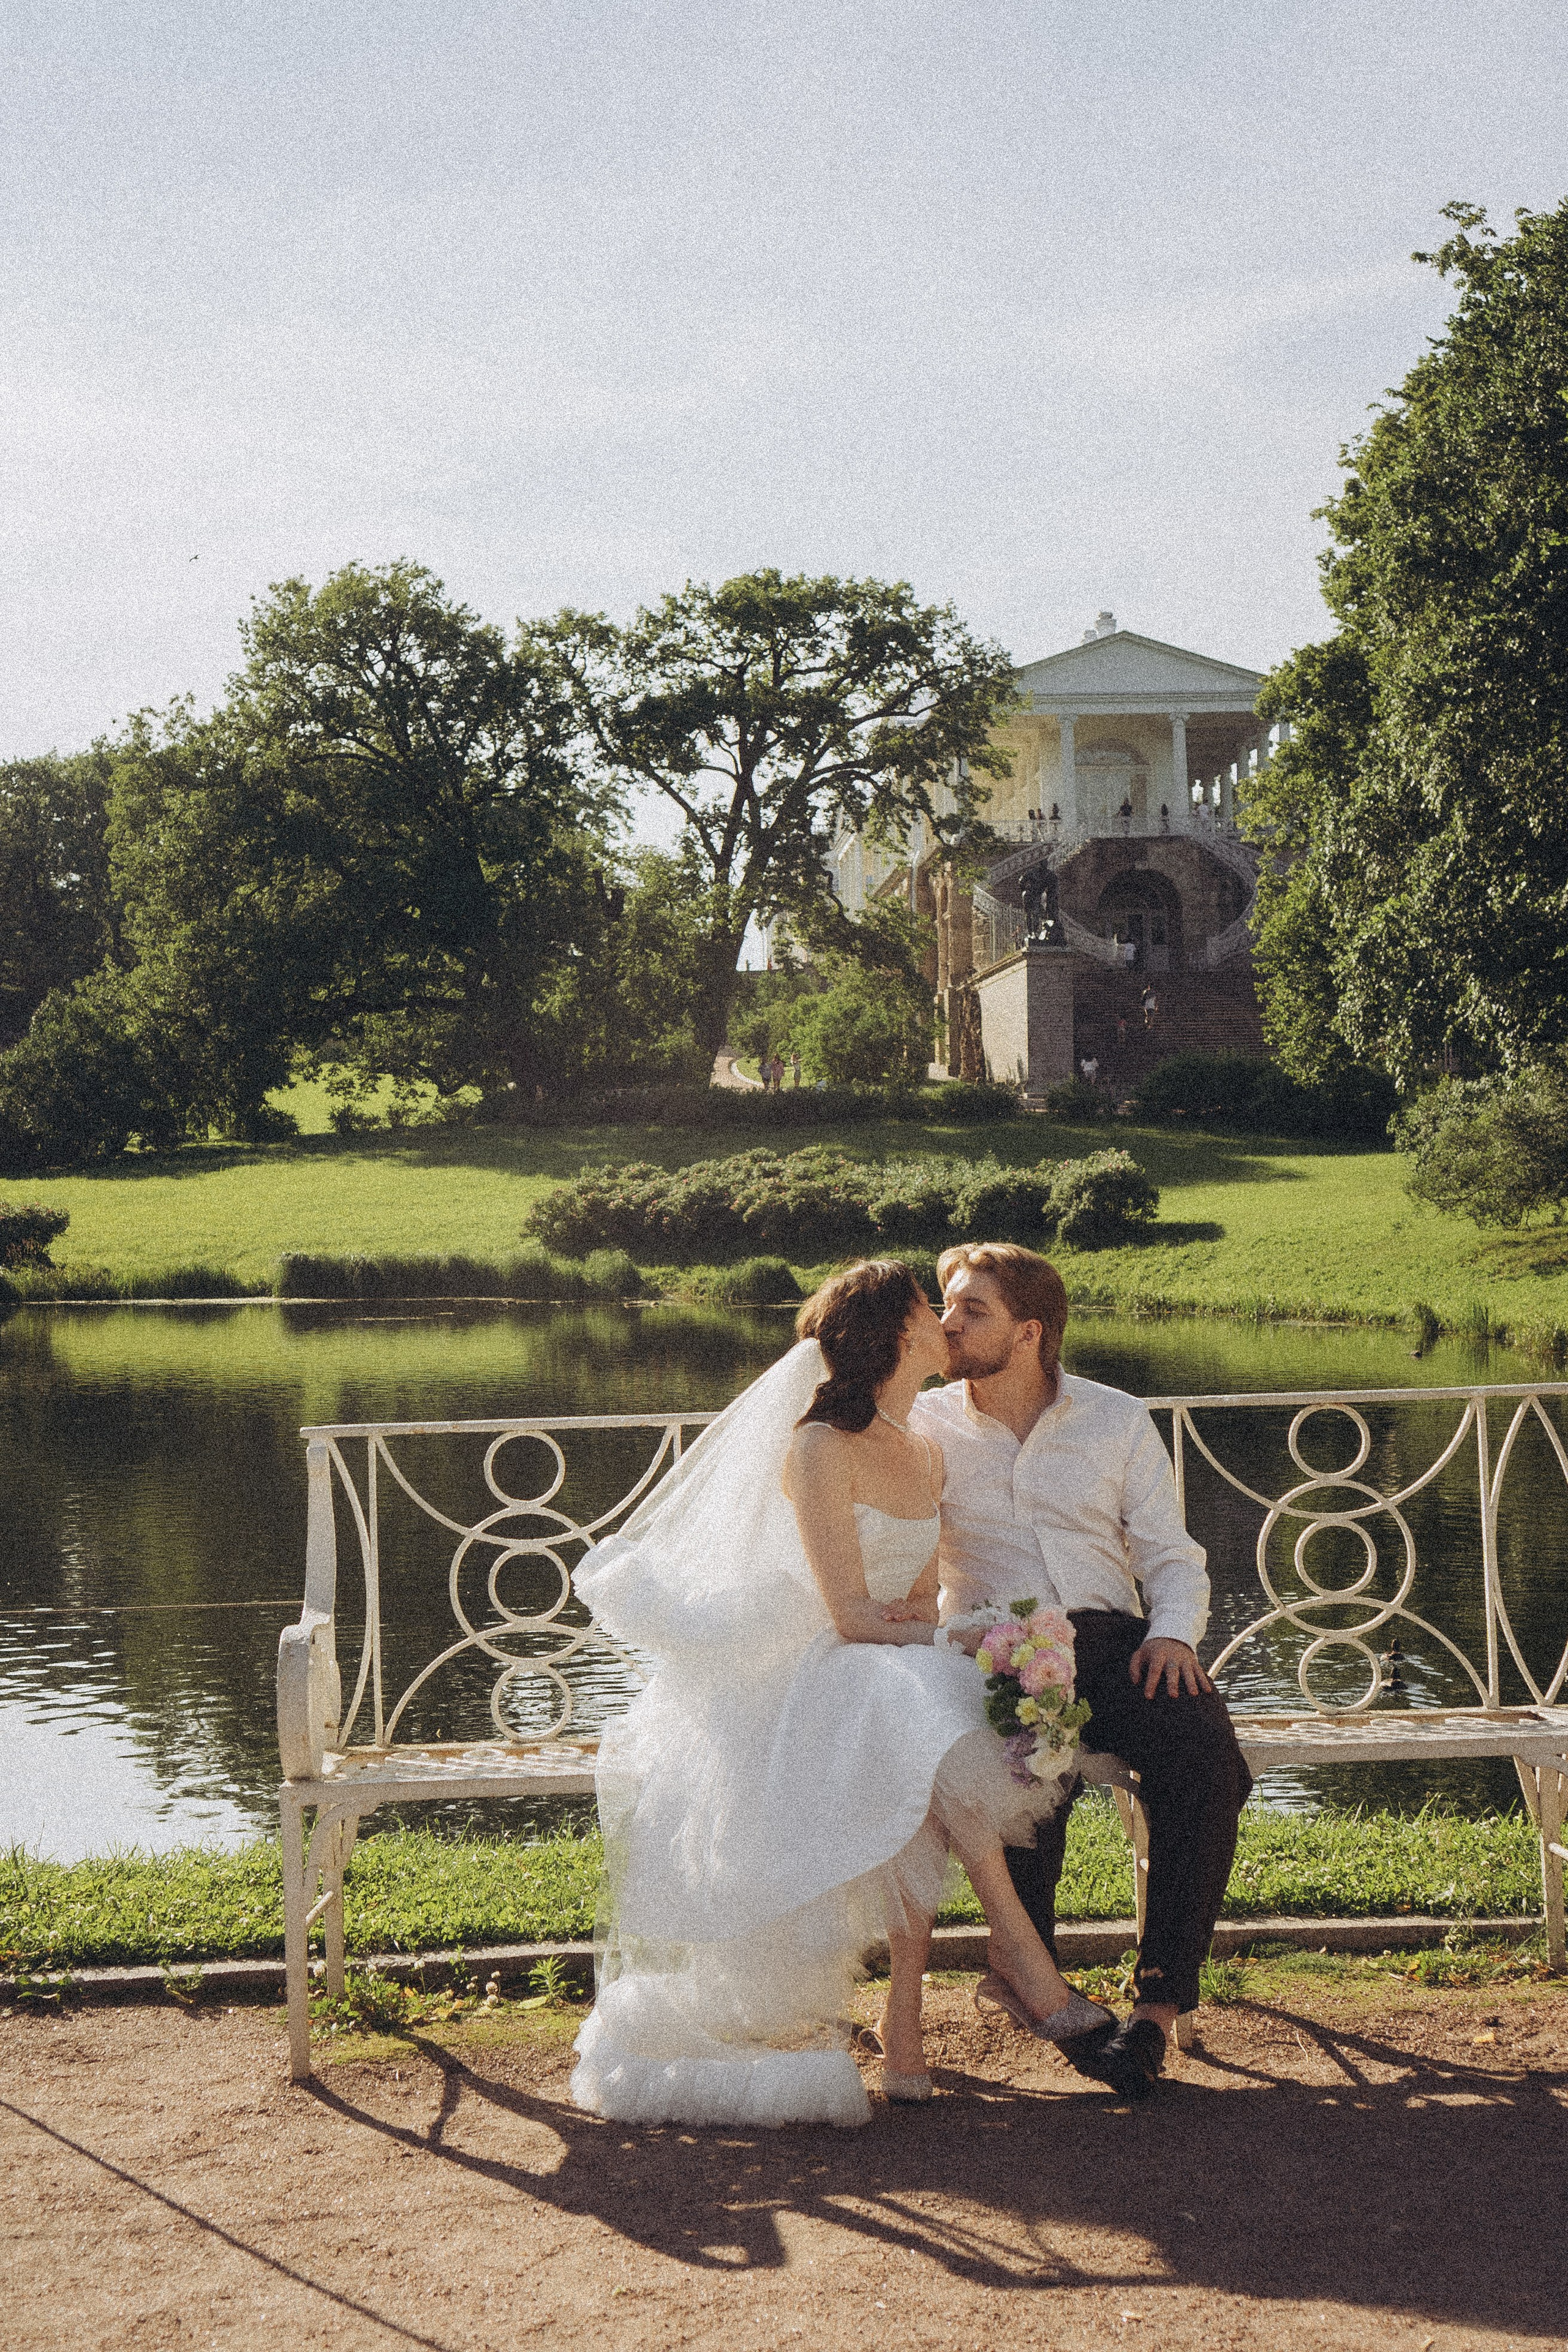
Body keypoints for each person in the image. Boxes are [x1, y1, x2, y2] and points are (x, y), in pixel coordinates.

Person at [570, 1260, 1111, 2127]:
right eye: (931, 1311)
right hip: (808, 1671)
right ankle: (1020, 1966)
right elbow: (852, 1616)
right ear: (899, 1336)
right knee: (919, 1712)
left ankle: (911, 2022)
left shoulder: (927, 1450)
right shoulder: (818, 1447)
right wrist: (939, 1633)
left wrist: (940, 1628)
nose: (947, 1321)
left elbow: (924, 1592)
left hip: (890, 1661)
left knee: (925, 1719)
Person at [911, 1243, 1253, 2101]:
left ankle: (1159, 2010)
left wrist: (1174, 1636)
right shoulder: (925, 1428)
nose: (946, 1323)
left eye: (970, 1310)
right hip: (998, 1650)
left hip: (1117, 1645)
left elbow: (1172, 1556)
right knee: (1030, 1767)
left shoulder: (1116, 1419)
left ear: (1029, 1332)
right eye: (948, 1306)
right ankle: (1033, 1980)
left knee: (1208, 1760)